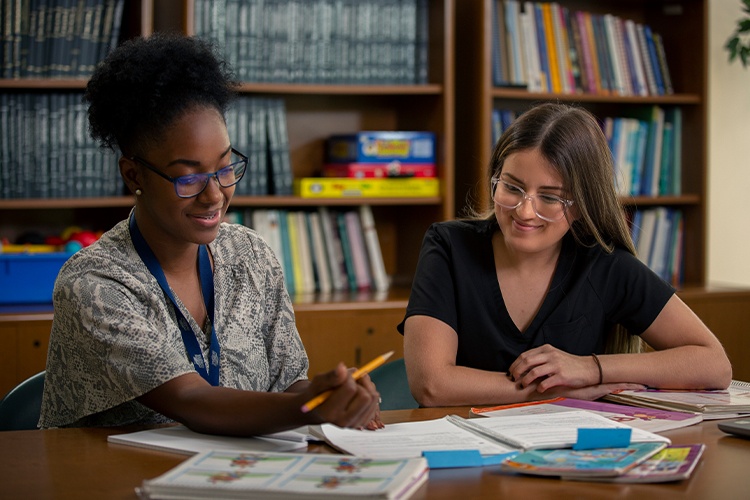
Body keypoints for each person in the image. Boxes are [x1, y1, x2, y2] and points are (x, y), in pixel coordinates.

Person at [39, 33, 381, 434]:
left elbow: (289, 386)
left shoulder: (251, 254)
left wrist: (336, 396)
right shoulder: (94, 283)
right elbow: (191, 400)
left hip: (233, 478)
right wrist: (310, 407)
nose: (215, 194)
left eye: (224, 167)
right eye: (189, 178)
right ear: (133, 174)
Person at [399, 102, 732, 407]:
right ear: (494, 179)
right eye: (512, 187)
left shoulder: (605, 265)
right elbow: (431, 385)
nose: (525, 211)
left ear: (581, 206)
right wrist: (553, 389)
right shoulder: (448, 246)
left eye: (550, 197)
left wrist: (590, 368)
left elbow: (714, 364)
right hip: (466, 455)